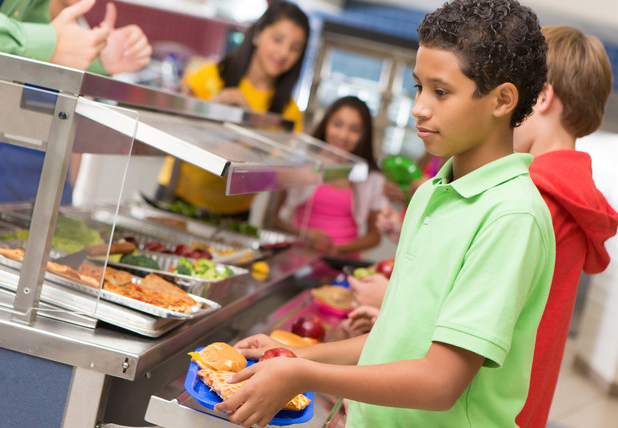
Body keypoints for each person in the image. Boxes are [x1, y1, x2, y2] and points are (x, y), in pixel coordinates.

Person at [213, 1, 554, 427]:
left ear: (502, 99)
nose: (419, 108)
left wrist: (303, 374)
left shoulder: (511, 217)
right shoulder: (431, 193)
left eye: (441, 91)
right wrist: (292, 354)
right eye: (418, 88)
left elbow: (439, 382)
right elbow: (392, 341)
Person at [0, 0, 152, 212]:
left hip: (45, 188)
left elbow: (73, 126)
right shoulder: (30, 24)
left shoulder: (67, 28)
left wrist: (100, 61)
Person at [513, 26, 618, 428]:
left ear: (541, 96)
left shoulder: (533, 199)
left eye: (512, 92)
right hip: (528, 402)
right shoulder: (574, 195)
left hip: (488, 403)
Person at [155, 1, 309, 219]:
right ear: (257, 35)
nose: (284, 53)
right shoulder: (208, 75)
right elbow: (168, 130)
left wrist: (250, 126)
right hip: (177, 196)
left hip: (234, 214)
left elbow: (284, 176)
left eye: (294, 48)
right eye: (278, 39)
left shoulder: (290, 111)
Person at [272, 96, 387, 258]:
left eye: (354, 130)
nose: (343, 135)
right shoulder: (302, 165)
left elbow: (374, 237)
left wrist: (339, 249)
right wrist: (304, 234)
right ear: (326, 124)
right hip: (297, 257)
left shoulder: (372, 177)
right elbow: (273, 219)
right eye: (337, 125)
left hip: (342, 262)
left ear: (364, 135)